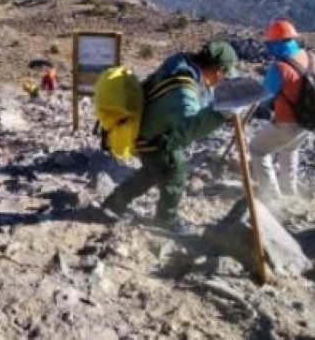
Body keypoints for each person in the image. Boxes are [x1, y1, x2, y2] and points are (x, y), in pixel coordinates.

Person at [95, 41, 238, 232]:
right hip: (156, 139)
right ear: (219, 71)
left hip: (145, 133)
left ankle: (113, 205)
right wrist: (223, 114)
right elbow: (189, 127)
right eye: (226, 74)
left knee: (151, 173)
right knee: (175, 174)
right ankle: (166, 219)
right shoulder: (184, 90)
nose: (224, 80)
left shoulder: (183, 65)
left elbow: (196, 101)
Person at [249, 19, 315, 198]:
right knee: (290, 149)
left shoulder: (278, 68)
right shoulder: (311, 57)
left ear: (277, 43)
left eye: (271, 43)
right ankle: (290, 191)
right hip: (309, 120)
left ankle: (271, 197)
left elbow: (264, 98)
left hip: (287, 122)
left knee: (258, 150)